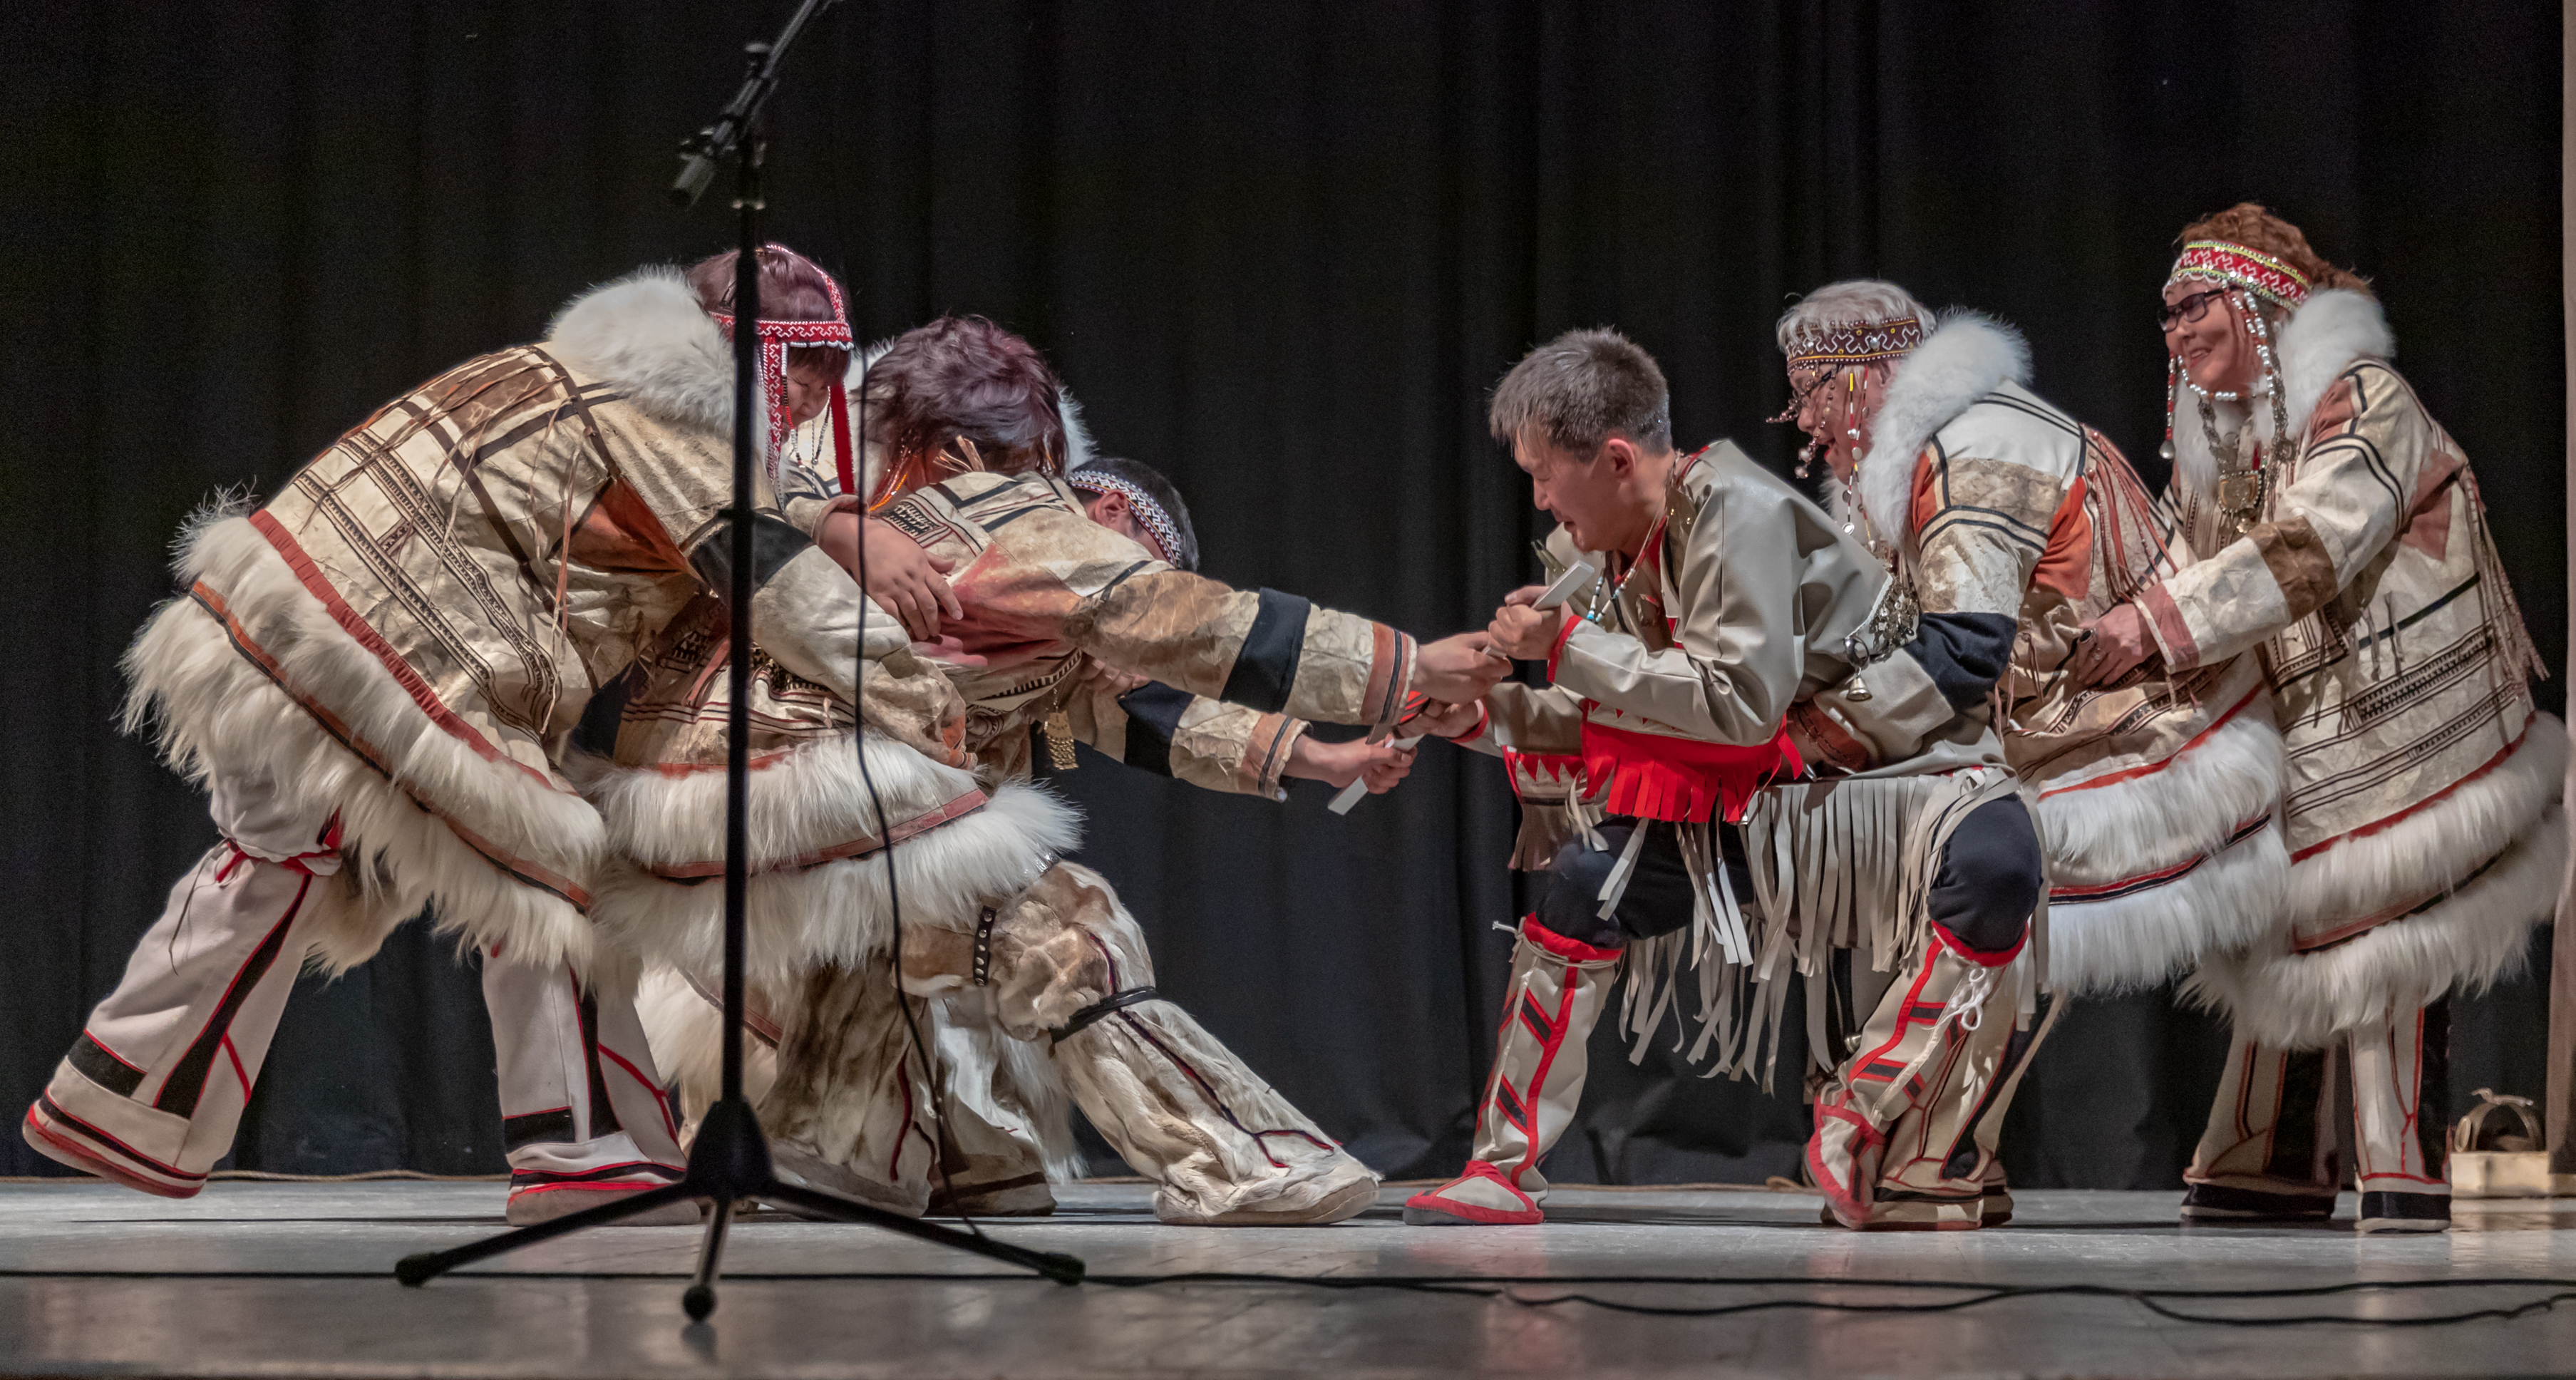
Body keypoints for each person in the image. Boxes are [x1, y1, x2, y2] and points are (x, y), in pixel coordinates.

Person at [24, 244, 957, 1227]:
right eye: (803, 368)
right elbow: (762, 564)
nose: (816, 395)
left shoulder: (578, 372)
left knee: (275, 854)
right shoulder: (682, 411)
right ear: (749, 351)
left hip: (281, 601)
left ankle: (118, 1096)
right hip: (390, 646)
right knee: (558, 876)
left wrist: (837, 521)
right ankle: (584, 1154)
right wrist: (909, 687)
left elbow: (730, 503)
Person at [593, 316, 1501, 1225]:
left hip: (686, 823)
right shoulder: (1001, 513)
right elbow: (1180, 617)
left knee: (885, 935)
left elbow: (1134, 710)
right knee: (1072, 936)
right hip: (808, 793)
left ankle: (843, 1148)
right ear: (964, 449)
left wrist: (1317, 751)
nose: (1048, 483)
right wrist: (1406, 668)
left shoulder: (846, 528)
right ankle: (1240, 1158)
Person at [2072, 205, 2562, 1233]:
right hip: (2315, 714)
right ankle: (2270, 1155)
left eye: (2191, 303)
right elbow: (2186, 564)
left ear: (2256, 304)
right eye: (2163, 312)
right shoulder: (2226, 438)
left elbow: (2313, 545)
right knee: (2277, 911)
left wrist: (2154, 622)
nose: (2172, 328)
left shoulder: (2361, 398)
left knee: (2381, 914)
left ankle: (2397, 1158)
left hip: (2407, 708)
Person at [1397, 328, 1883, 1227]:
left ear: (1615, 457)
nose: (1540, 501)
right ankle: (1501, 1167)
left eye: (1545, 475)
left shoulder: (1733, 507)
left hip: (1858, 797)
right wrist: (1477, 715)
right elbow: (1621, 720)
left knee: (1866, 957)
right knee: (1580, 883)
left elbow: (1738, 704)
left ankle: (1904, 1147)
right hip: (1743, 793)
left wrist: (1569, 647)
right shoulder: (1608, 554)